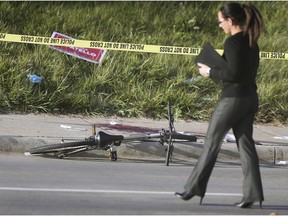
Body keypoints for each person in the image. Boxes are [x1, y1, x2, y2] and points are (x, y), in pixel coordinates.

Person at [175, 2, 264, 209]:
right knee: (246, 146)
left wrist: (209, 72)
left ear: (231, 21)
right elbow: (239, 69)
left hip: (232, 100)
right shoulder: (252, 40)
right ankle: (252, 194)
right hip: (250, 98)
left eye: (220, 21)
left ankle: (193, 188)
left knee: (211, 143)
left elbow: (233, 74)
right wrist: (215, 64)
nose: (219, 25)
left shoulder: (232, 42)